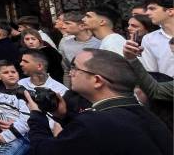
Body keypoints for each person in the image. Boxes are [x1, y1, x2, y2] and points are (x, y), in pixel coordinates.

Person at [26, 48, 173, 154]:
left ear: (97, 80)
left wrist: (37, 114)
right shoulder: (147, 116)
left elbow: (44, 150)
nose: (71, 73)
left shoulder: (93, 122)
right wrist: (64, 116)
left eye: (75, 68)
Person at [58, 12, 100, 87]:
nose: (63, 27)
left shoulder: (98, 44)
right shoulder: (65, 44)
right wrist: (67, 90)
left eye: (67, 23)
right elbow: (67, 70)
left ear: (82, 26)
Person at [140, 0, 174, 77]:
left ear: (170, 11)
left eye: (152, 8)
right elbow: (151, 72)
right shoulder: (149, 39)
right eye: (147, 9)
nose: (147, 13)